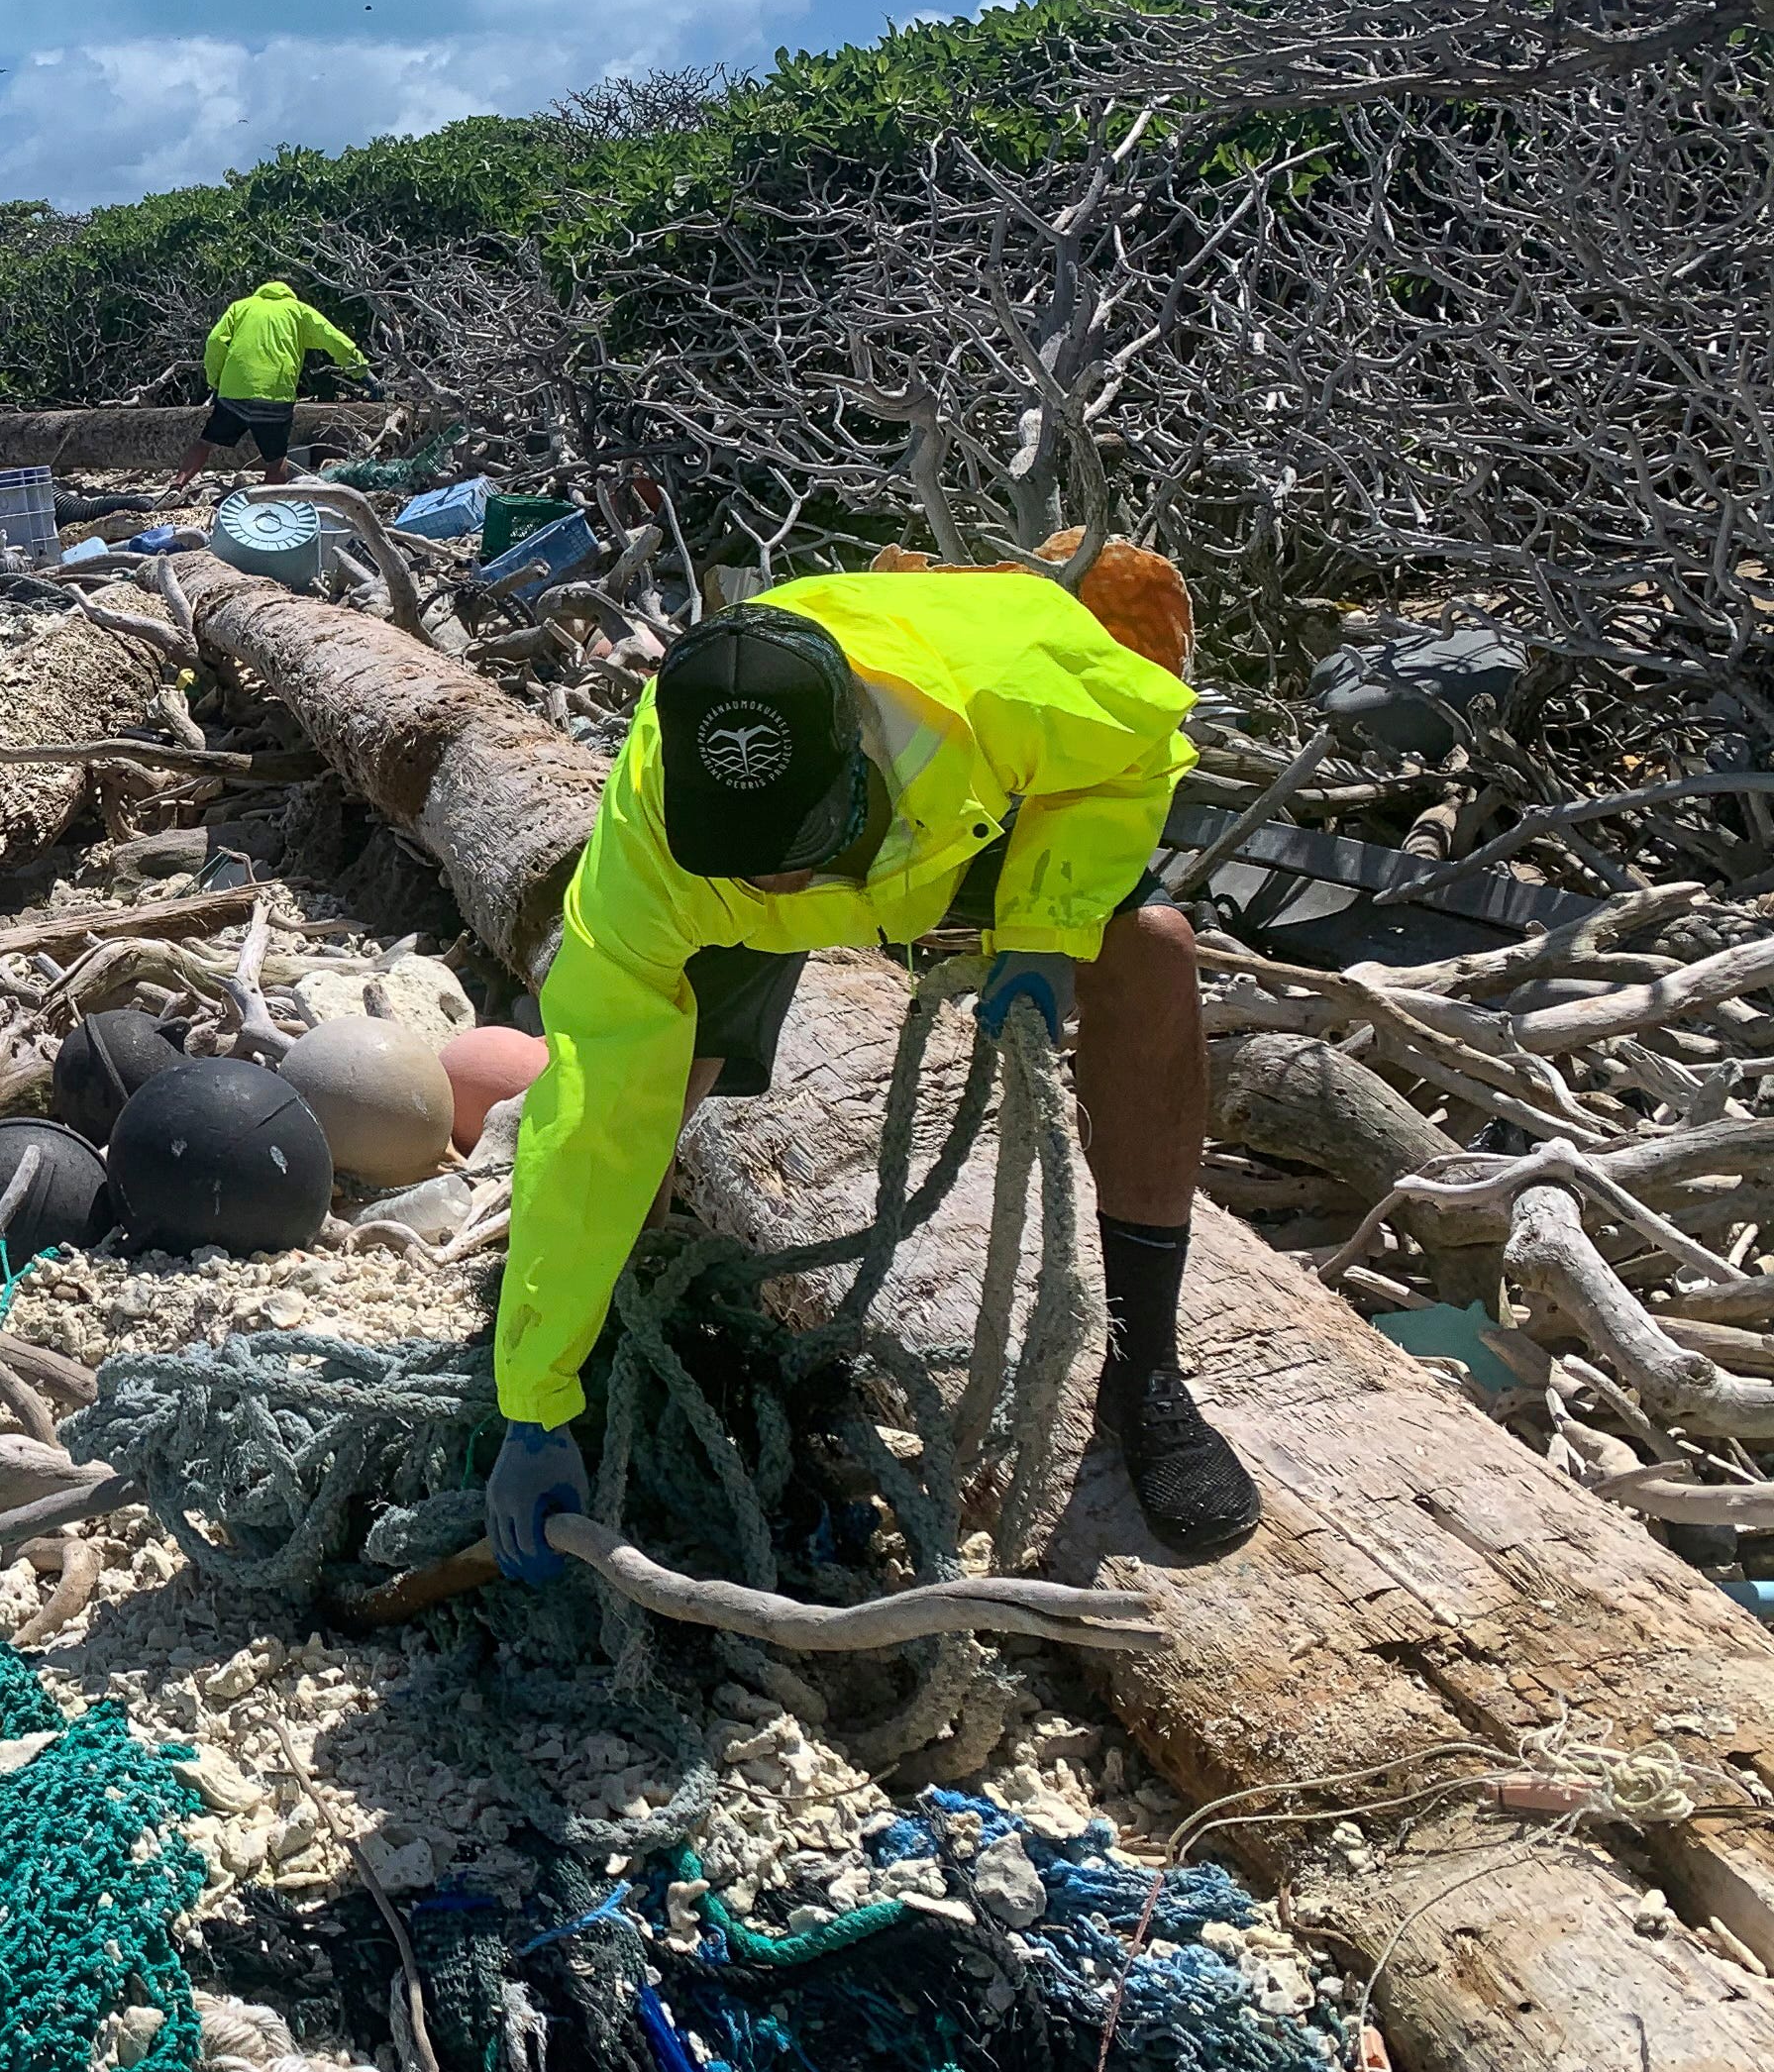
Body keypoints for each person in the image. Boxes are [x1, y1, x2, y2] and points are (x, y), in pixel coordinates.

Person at [480, 571, 1260, 1583]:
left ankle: (1146, 1370)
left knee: (1151, 945)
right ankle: (614, 1337)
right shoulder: (655, 859)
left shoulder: (1010, 683)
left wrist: (1042, 922)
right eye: (751, 860)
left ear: (857, 750)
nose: (779, 883)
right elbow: (592, 1114)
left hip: (950, 823)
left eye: (793, 851)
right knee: (651, 1092)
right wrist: (532, 1401)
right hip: (720, 892)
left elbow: (1135, 753)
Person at [173, 278, 365, 489]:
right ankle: (269, 502)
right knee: (276, 457)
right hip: (276, 395)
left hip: (234, 393)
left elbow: (215, 341)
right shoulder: (298, 311)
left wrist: (215, 379)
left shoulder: (242, 307)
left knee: (205, 441)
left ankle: (177, 486)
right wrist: (360, 369)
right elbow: (333, 338)